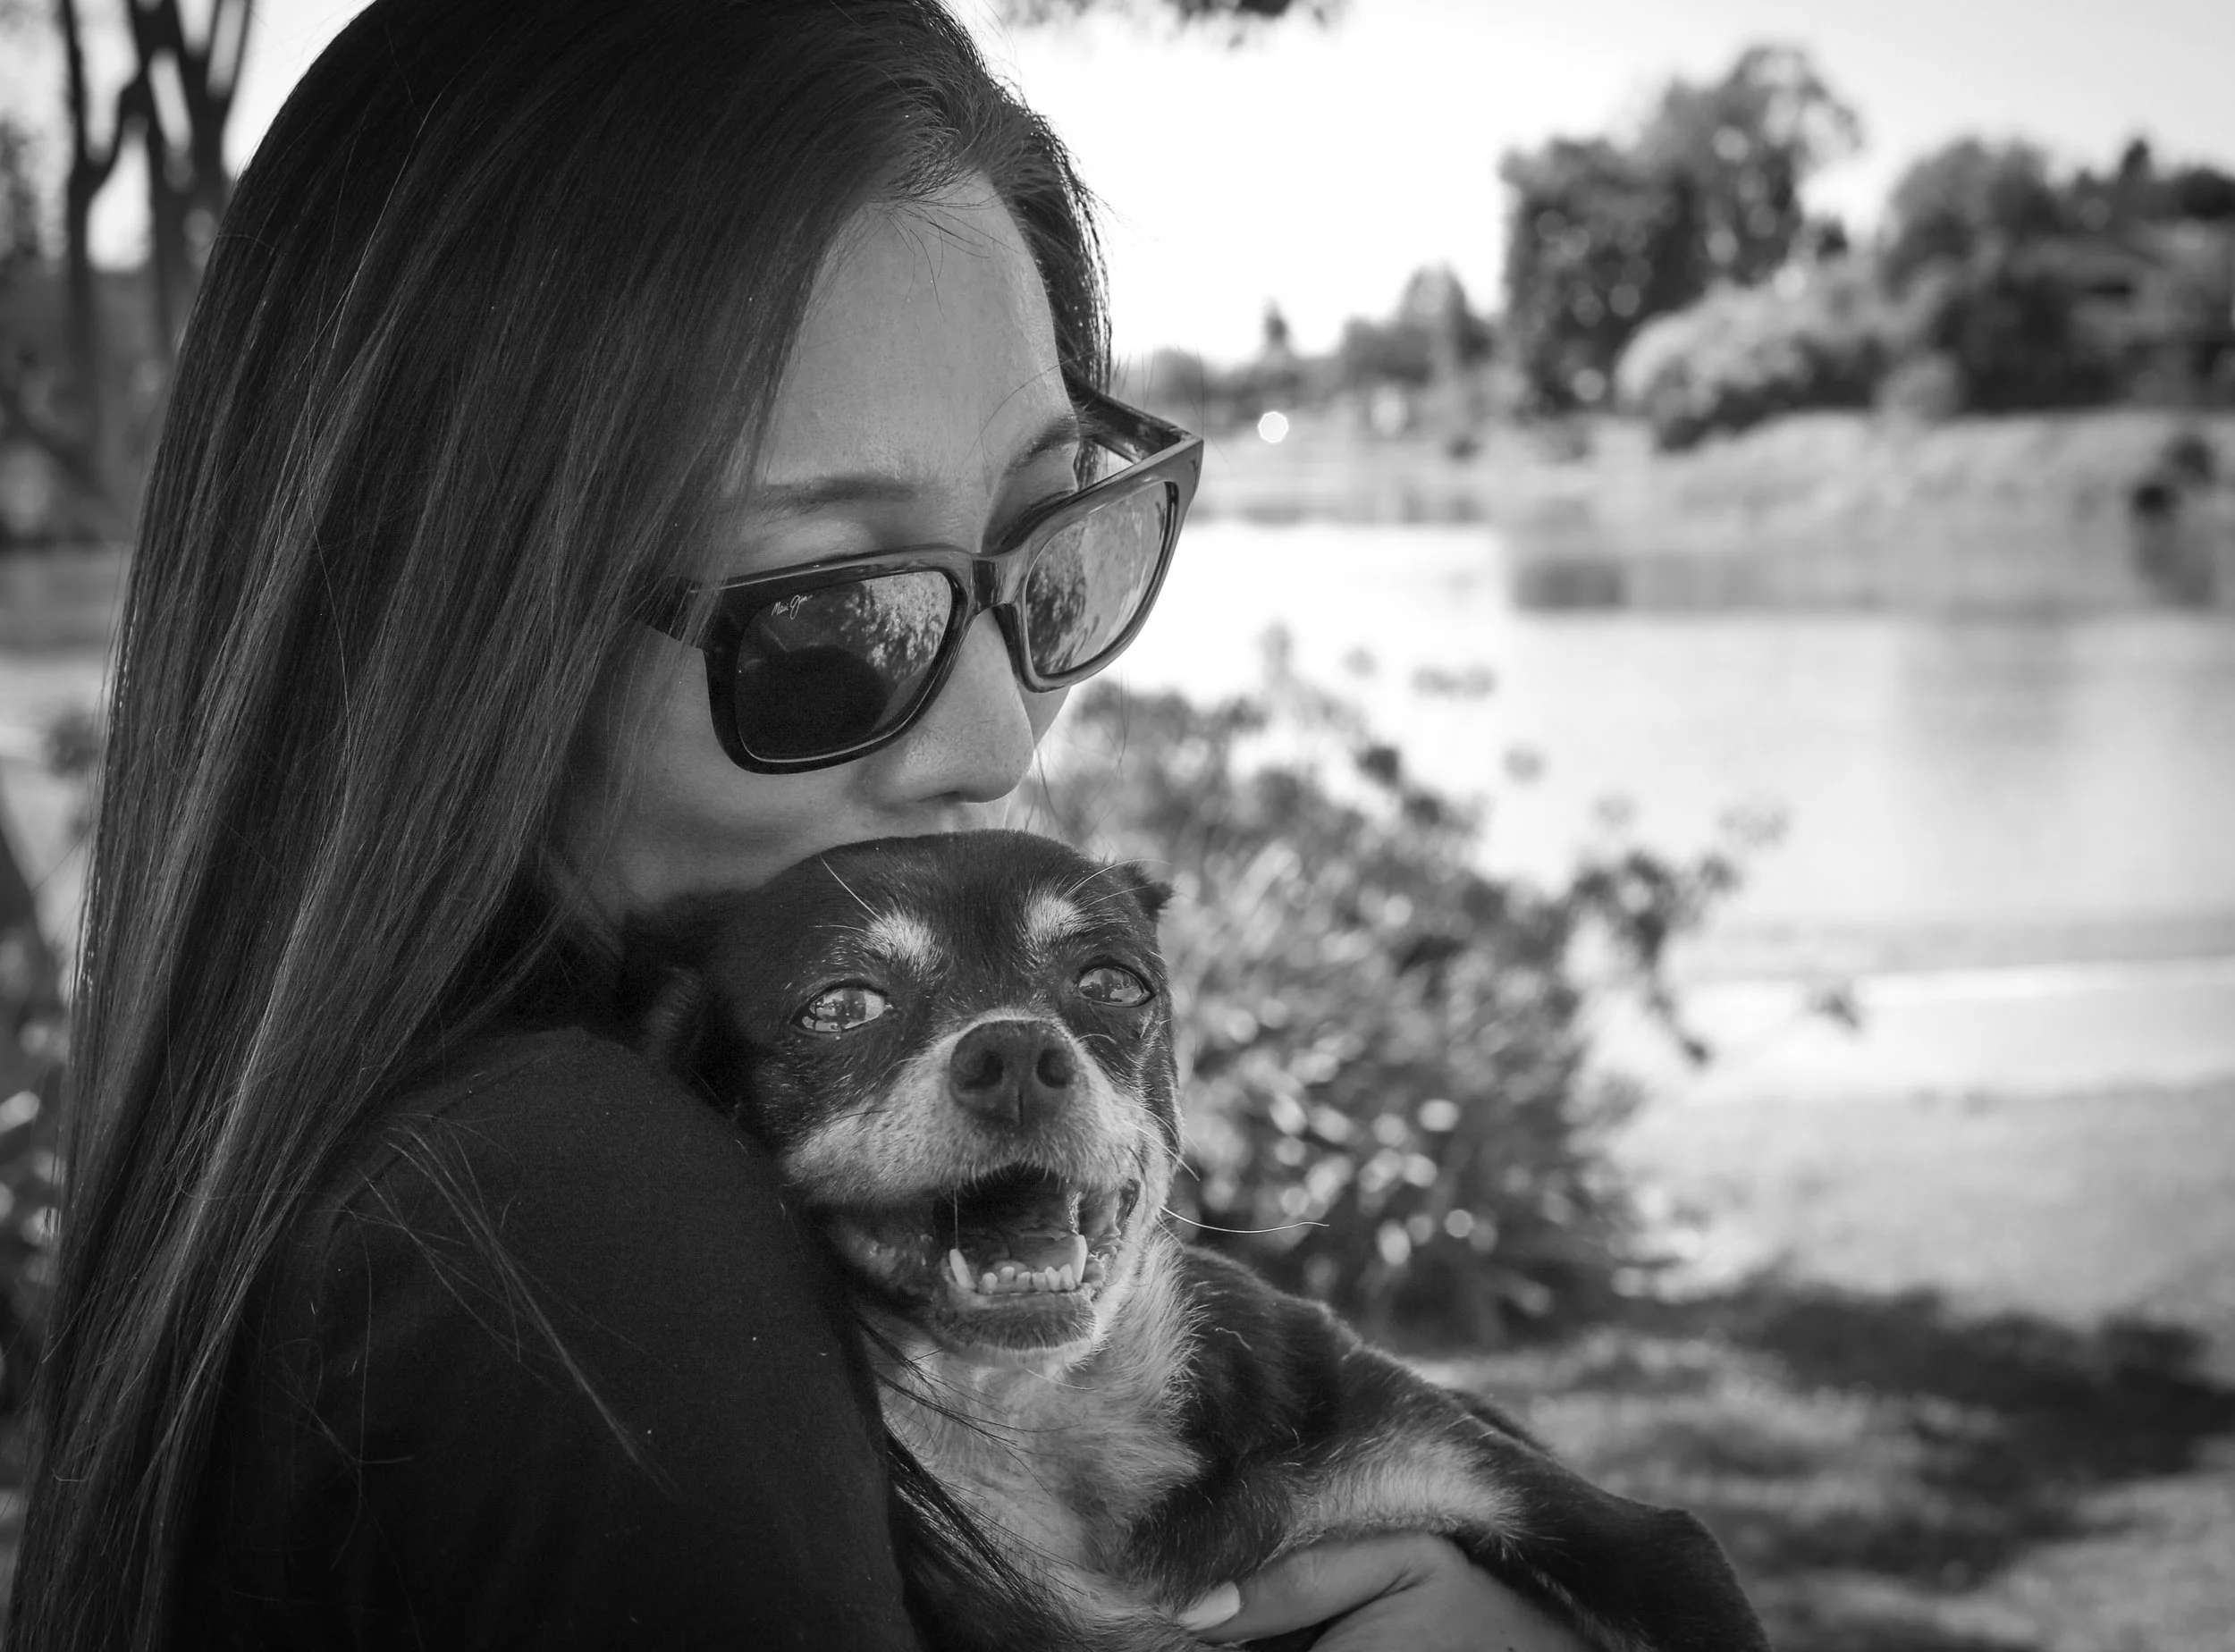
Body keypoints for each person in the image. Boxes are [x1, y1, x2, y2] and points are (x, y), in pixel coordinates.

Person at [7, 2, 1589, 1647]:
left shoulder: (420, 1187)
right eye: (833, 613)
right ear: (454, 635)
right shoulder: (574, 1233)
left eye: (1056, 548)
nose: (997, 737)